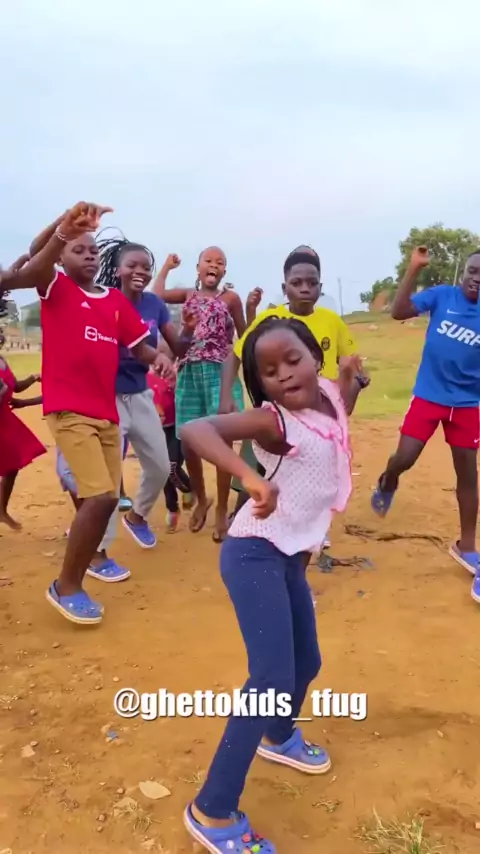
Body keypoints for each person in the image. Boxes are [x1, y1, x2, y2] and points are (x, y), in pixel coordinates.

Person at [180, 316, 360, 854]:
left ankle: (277, 735)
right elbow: (195, 430)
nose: (283, 374)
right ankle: (211, 810)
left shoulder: (328, 395)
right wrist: (250, 477)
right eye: (268, 371)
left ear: (316, 357)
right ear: (260, 385)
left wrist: (349, 380)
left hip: (290, 556)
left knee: (307, 663)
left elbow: (336, 425)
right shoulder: (273, 422)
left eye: (293, 360)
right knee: (271, 678)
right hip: (254, 552)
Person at [2, 202, 173, 625]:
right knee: (98, 496)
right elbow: (36, 257)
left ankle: (89, 563)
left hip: (105, 412)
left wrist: (158, 358)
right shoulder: (55, 288)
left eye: (93, 250)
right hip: (70, 409)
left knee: (108, 497)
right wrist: (64, 225)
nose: (89, 255)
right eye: (77, 250)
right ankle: (67, 585)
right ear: (61, 258)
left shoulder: (114, 301)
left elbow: (139, 346)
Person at [222, 246, 368, 532]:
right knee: (256, 467)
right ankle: (239, 521)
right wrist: (226, 395)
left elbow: (352, 366)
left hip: (316, 418)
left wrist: (353, 385)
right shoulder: (270, 320)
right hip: (275, 412)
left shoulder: (332, 322)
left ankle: (310, 532)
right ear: (284, 288)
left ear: (320, 288)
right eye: (296, 283)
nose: (304, 288)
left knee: (312, 475)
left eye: (312, 283)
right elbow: (236, 354)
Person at [372, 246, 480, 605]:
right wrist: (414, 268)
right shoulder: (442, 297)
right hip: (429, 396)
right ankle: (388, 480)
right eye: (473, 271)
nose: (477, 279)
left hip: (467, 404)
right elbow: (398, 311)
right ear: (463, 271)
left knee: (468, 473)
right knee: (404, 457)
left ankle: (467, 546)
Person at [95, 235, 197, 549]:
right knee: (107, 475)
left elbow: (178, 348)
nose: (140, 271)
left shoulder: (155, 305)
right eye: (132, 265)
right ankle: (98, 547)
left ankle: (137, 517)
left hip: (140, 395)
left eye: (146, 267)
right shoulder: (105, 300)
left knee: (159, 465)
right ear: (117, 269)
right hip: (108, 397)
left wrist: (188, 328)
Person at [153, 249, 246, 542]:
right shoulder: (187, 295)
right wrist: (166, 267)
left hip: (221, 374)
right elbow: (157, 296)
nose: (214, 265)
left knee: (222, 443)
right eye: (209, 261)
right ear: (198, 267)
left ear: (224, 272)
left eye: (220, 263)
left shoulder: (231, 299)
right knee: (189, 442)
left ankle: (221, 510)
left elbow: (245, 337)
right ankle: (203, 498)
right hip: (190, 373)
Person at [0, 332, 45, 529]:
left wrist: (33, 378)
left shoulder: (2, 361)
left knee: (12, 465)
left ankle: (1, 510)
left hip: (5, 419)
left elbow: (15, 387)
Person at [146, 367, 194, 532]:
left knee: (172, 466)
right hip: (155, 429)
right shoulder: (143, 379)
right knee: (162, 469)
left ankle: (189, 488)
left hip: (176, 426)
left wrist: (176, 383)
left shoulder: (176, 375)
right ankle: (172, 508)